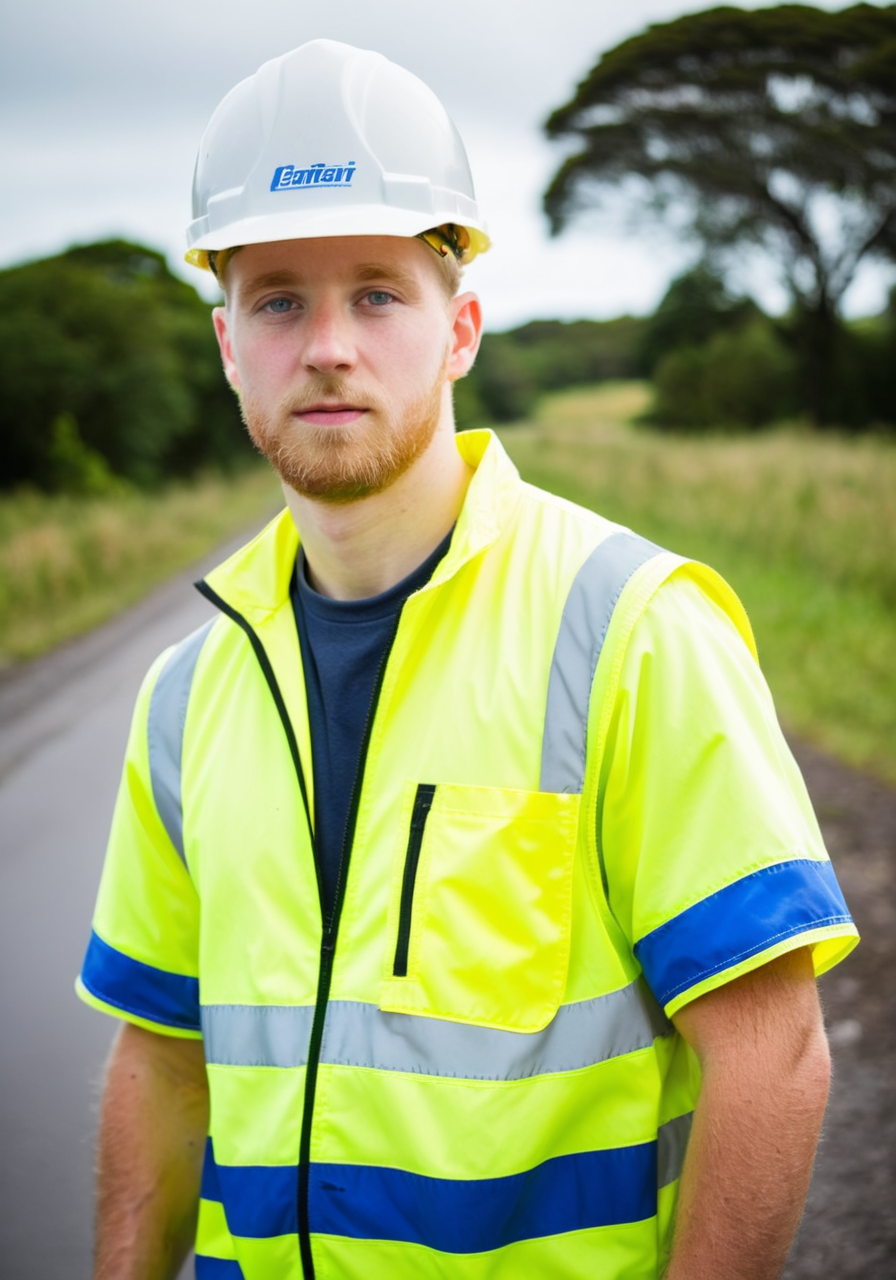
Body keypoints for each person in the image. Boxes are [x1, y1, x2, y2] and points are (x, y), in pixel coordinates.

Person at [77, 39, 858, 1280]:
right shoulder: (186, 693)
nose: (327, 344)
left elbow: (771, 1056)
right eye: (279, 298)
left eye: (378, 293)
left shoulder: (631, 630)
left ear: (461, 331)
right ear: (229, 343)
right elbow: (162, 1058)